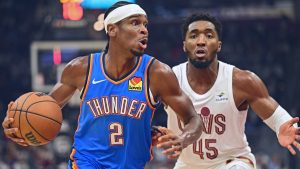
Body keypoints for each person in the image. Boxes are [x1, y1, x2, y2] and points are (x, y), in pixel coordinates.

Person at [2, 2, 203, 169]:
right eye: (135, 23)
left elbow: (193, 119)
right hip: (86, 162)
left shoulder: (157, 73)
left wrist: (184, 138)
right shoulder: (81, 68)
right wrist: (18, 124)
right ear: (112, 29)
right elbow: (44, 109)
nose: (143, 29)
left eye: (145, 24)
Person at [164, 12, 300, 169]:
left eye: (209, 35)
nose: (201, 41)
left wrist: (282, 127)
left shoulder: (242, 81)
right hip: (188, 165)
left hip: (233, 161)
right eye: (194, 36)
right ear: (184, 45)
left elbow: (278, 118)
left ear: (219, 45)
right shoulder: (169, 79)